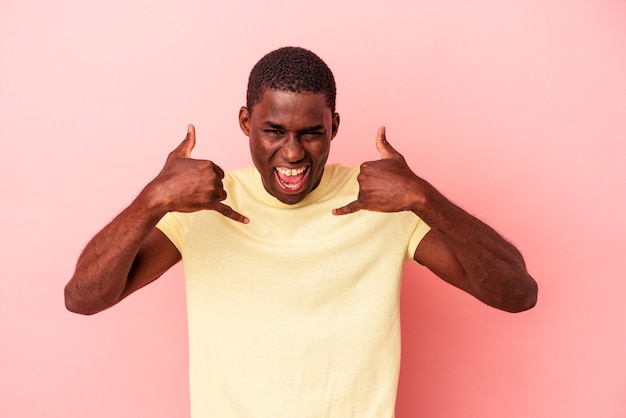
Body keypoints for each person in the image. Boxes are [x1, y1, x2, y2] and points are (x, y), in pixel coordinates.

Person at [65, 46, 537, 417]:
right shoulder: (202, 202)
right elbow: (83, 298)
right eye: (273, 130)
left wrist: (424, 197)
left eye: (311, 132)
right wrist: (153, 199)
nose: (292, 154)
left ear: (333, 126)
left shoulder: (384, 201)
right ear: (246, 123)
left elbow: (518, 294)